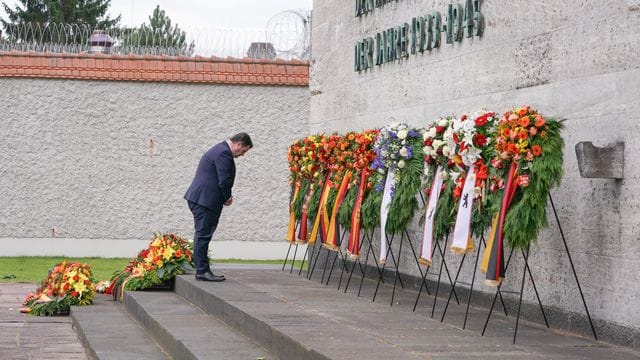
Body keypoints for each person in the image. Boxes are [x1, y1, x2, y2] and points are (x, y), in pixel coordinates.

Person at [184, 132, 253, 281]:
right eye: (243, 151)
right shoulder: (224, 153)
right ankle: (202, 271)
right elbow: (224, 179)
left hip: (201, 198)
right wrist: (227, 197)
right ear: (239, 144)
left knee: (202, 234)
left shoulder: (219, 149)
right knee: (203, 235)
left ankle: (202, 269)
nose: (242, 155)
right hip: (205, 200)